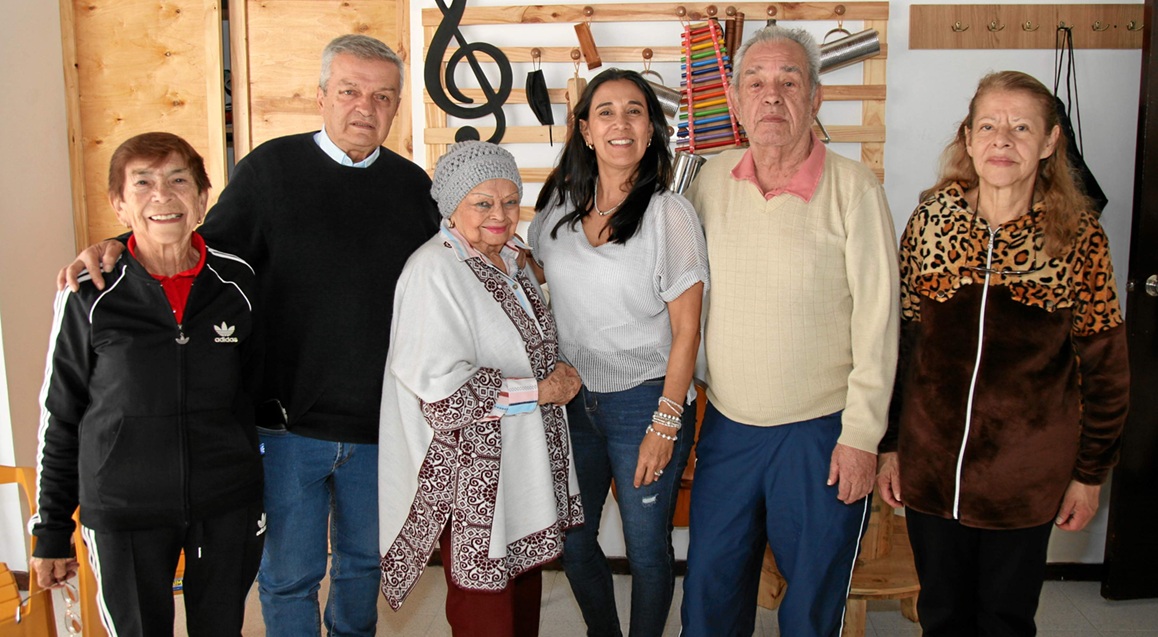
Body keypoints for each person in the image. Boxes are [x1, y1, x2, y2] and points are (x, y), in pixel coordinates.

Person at [59, 35, 440, 636]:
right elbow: (190, 247)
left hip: (380, 427)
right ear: (320, 97)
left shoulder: (415, 188)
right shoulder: (268, 172)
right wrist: (117, 244)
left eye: (382, 96)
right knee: (289, 575)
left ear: (396, 107)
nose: (364, 107)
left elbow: (448, 278)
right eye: (349, 91)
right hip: (286, 429)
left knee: (366, 567)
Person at [876, 70, 1129, 636]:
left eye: (1021, 127)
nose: (1002, 140)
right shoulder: (932, 222)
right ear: (967, 138)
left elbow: (1105, 367)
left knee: (1005, 621)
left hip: (1026, 478)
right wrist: (890, 445)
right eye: (988, 125)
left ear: (1049, 141)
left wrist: (1090, 475)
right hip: (933, 470)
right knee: (941, 616)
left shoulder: (1078, 237)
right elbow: (902, 344)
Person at [679, 26, 900, 636]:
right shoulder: (707, 183)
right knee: (710, 592)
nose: (771, 96)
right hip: (728, 425)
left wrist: (861, 436)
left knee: (809, 602)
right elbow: (680, 296)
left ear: (815, 100)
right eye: (756, 82)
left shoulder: (855, 189)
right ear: (736, 101)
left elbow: (880, 324)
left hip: (821, 434)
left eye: (789, 82)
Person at [31, 132, 264, 635]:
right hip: (123, 510)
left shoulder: (238, 283)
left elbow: (255, 392)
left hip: (225, 503)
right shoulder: (88, 293)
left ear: (202, 198)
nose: (163, 196)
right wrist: (51, 530)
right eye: (143, 184)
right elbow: (61, 415)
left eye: (179, 180)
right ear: (119, 203)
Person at [528, 68, 708, 637]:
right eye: (605, 111)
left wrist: (665, 421)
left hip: (644, 402)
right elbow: (528, 273)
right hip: (572, 401)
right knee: (575, 541)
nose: (620, 123)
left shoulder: (669, 215)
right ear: (584, 129)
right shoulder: (556, 204)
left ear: (651, 130)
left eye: (634, 110)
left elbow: (688, 331)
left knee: (647, 547)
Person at [378, 140, 584, 636]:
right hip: (474, 477)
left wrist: (558, 368)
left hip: (519, 461)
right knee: (484, 607)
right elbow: (443, 393)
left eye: (510, 201)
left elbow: (523, 341)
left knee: (523, 588)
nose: (500, 214)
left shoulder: (511, 259)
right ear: (452, 206)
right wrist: (540, 391)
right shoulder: (433, 271)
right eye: (483, 203)